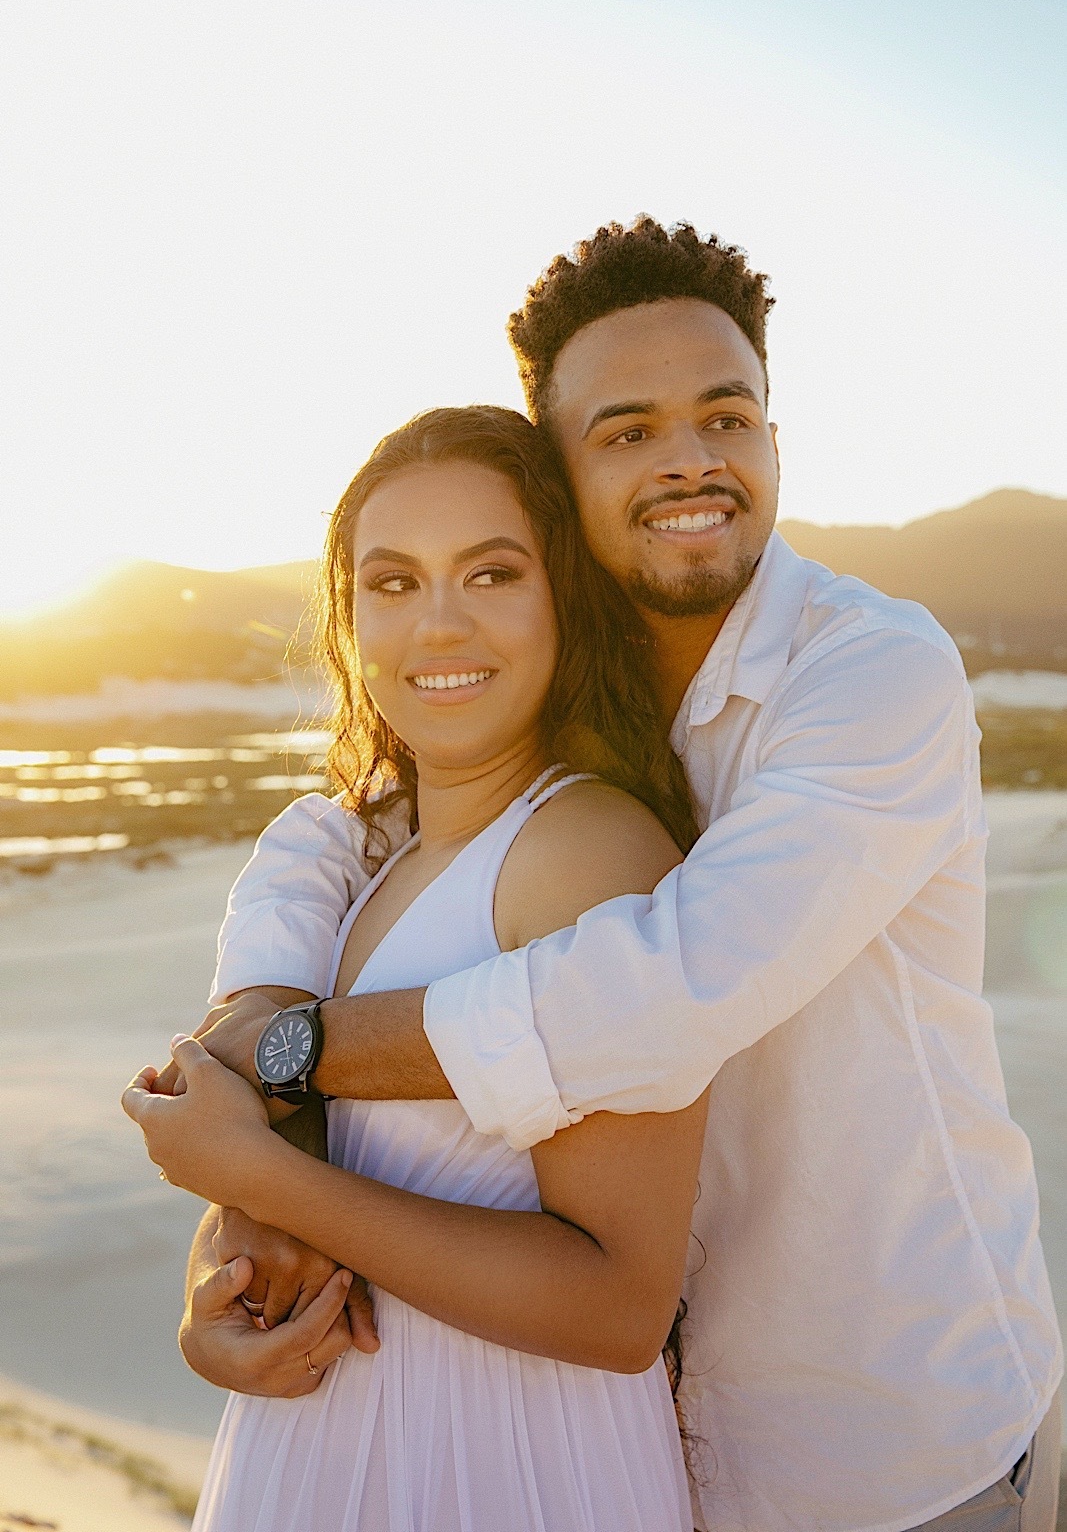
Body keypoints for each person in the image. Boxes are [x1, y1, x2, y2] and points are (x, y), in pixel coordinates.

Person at [159, 220, 1061, 1532]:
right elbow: (334, 841)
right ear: (561, 481)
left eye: (725, 416)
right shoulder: (548, 705)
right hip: (625, 1455)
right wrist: (234, 1220)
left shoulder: (868, 674)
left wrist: (277, 1066)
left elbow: (660, 994)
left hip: (879, 1433)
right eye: (625, 429)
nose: (688, 458)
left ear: (770, 437)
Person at [124, 404, 706, 1531]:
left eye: (490, 574)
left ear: (562, 599)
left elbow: (617, 1305)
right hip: (324, 1450)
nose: (437, 624)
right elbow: (291, 1132)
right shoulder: (368, 851)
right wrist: (217, 1293)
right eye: (391, 583)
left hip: (508, 1467)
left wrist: (260, 1174)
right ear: (347, 622)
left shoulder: (582, 851)